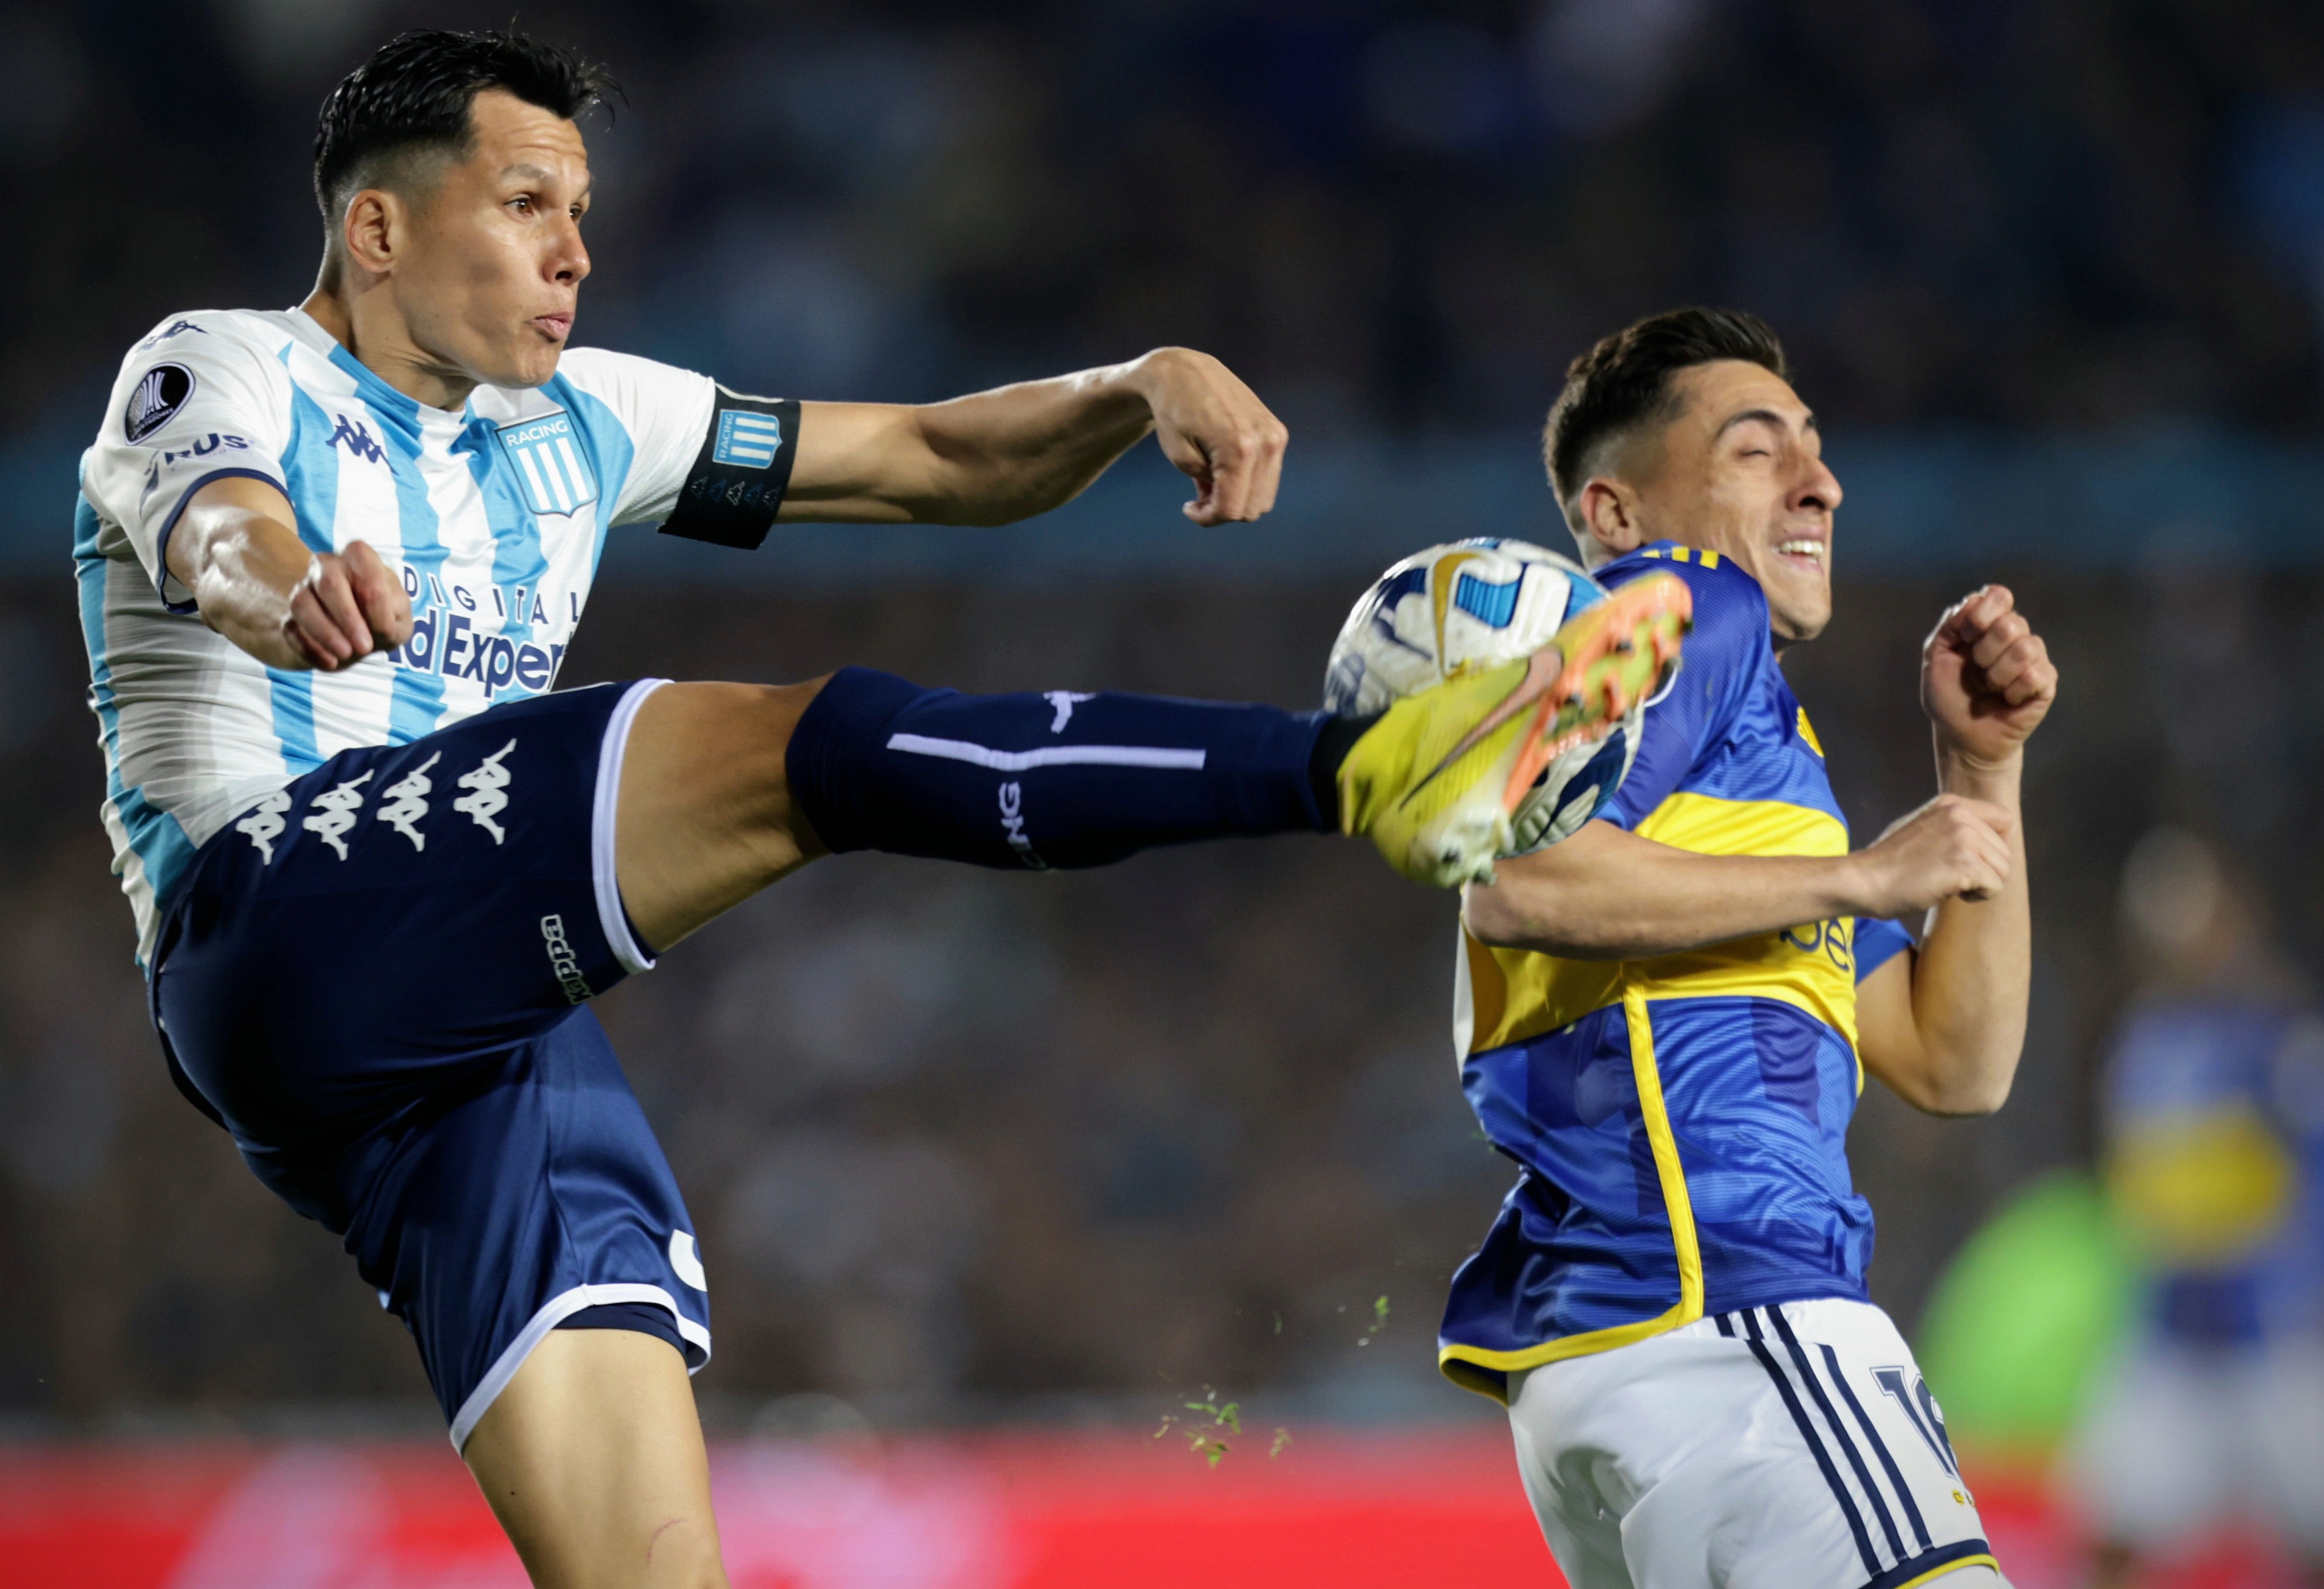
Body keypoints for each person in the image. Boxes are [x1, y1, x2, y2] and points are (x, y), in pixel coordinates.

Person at [75, 30, 1685, 1589]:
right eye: (523, 206)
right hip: (276, 913)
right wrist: (286, 593)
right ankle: (1358, 768)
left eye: (582, 212)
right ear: (376, 224)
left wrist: (1127, 387)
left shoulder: (578, 419)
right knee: (809, 749)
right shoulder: (222, 363)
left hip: (471, 1024)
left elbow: (923, 455)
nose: (574, 251)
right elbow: (217, 522)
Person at [1441, 307, 2059, 1589]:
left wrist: (1979, 773)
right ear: (1617, 512)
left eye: (1816, 449)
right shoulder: (1677, 602)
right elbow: (1509, 868)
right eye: (1754, 450)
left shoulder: (1746, 776)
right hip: (1736, 1318)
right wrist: (1862, 872)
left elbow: (1955, 1060)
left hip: (1630, 1352)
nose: (1820, 482)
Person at [2072, 828, 2324, 1588]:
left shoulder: (2284, 1039)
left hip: (2277, 1336)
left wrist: (2306, 1279)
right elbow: (2134, 1184)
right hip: (2171, 1336)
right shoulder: (2141, 1044)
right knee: (2110, 1530)